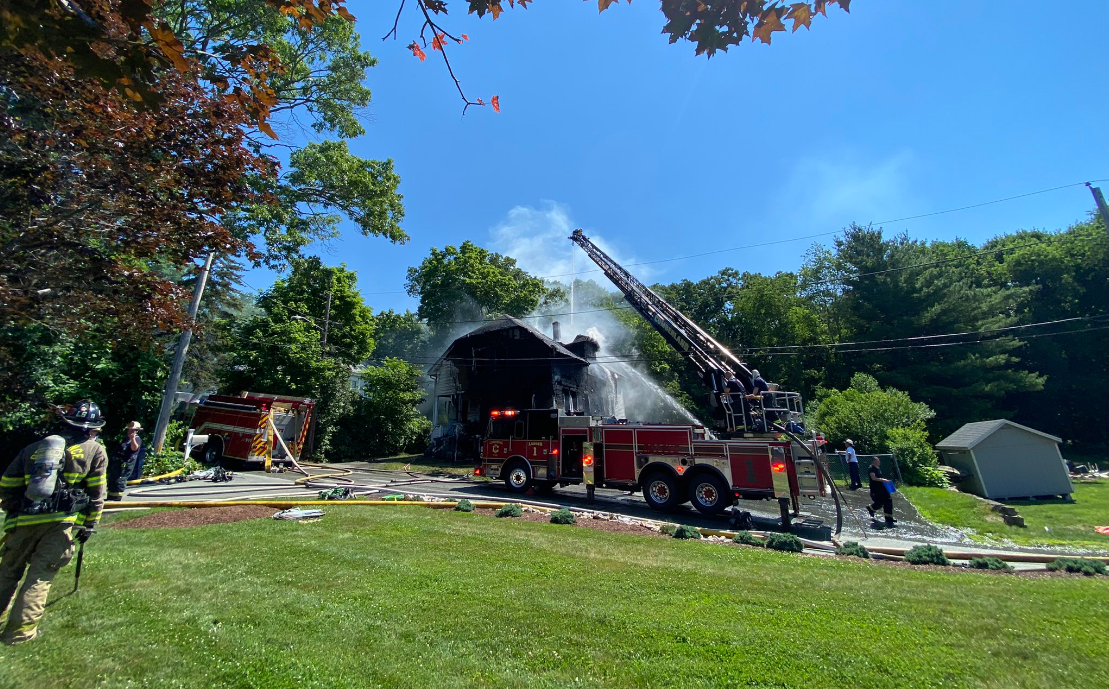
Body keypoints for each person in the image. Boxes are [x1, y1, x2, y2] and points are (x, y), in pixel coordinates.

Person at [0, 400, 108, 644]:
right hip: (60, 525)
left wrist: (15, 512)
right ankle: (19, 633)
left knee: (7, 572)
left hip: (23, 521)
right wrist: (89, 525)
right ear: (91, 428)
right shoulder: (94, 450)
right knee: (39, 577)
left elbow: (7, 485)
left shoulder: (35, 448)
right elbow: (96, 494)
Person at [108, 421, 144, 501]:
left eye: (132, 430)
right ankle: (110, 496)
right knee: (112, 479)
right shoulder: (125, 439)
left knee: (120, 480)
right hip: (117, 463)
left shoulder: (137, 439)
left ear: (137, 431)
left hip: (126, 464)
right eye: (129, 430)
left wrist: (133, 438)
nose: (130, 432)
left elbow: (134, 448)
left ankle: (117, 498)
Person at [866, 456, 896, 527]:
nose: (879, 462)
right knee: (880, 502)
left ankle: (889, 518)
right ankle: (871, 508)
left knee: (888, 501)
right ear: (874, 462)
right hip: (876, 489)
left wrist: (885, 482)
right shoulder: (871, 469)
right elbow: (874, 478)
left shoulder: (878, 469)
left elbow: (879, 478)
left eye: (879, 461)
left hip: (882, 488)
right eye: (877, 461)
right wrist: (883, 480)